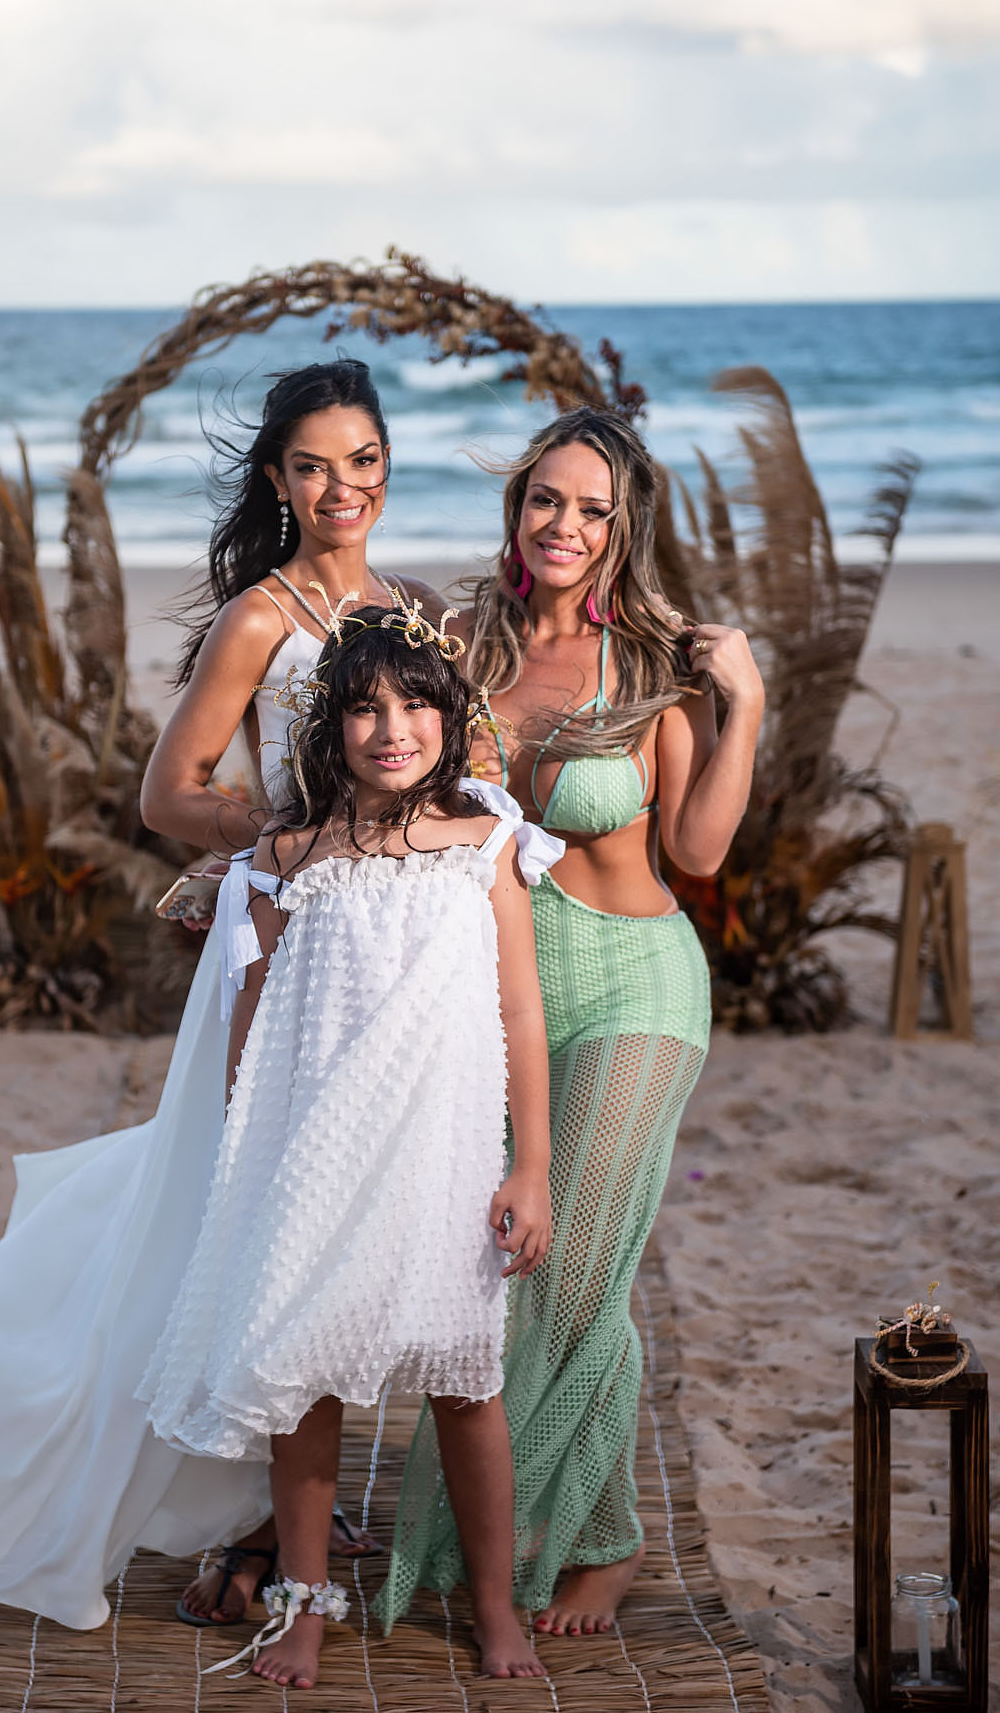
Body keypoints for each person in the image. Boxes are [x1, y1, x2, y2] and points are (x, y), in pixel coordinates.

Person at [0, 359, 433, 1630]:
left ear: (387, 465)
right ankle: (239, 1509)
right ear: (279, 481)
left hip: (386, 953)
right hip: (284, 941)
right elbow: (169, 792)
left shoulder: (410, 609)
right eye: (310, 464)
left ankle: (269, 1503)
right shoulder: (261, 615)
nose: (339, 485)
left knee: (334, 1211)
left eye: (360, 458)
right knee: (239, 1206)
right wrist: (297, 828)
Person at [378, 406, 764, 1638]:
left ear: (621, 532)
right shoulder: (463, 649)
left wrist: (744, 702)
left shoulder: (648, 672)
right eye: (549, 498)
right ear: (518, 508)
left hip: (639, 988)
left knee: (577, 1258)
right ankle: (537, 1520)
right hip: (503, 996)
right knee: (504, 1268)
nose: (566, 524)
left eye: (594, 510)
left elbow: (698, 851)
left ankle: (607, 1543)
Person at [144, 601, 557, 1688]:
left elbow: (520, 1009)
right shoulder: (287, 856)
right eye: (365, 707)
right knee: (305, 1384)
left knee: (467, 1382)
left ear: (450, 716)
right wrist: (248, 1166)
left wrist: (531, 1164)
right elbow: (252, 1023)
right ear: (329, 730)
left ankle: (496, 1607)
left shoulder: (486, 844)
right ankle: (305, 1608)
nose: (391, 726)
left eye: (415, 701)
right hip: (316, 1157)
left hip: (445, 1154)